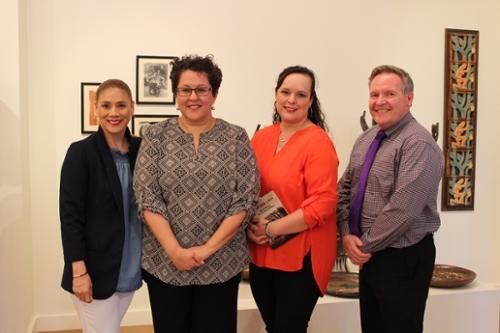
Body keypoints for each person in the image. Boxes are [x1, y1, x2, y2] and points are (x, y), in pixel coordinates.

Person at [133, 54, 260, 333]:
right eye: (185, 89)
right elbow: (146, 195)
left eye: (202, 89)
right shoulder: (155, 136)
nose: (193, 97)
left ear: (214, 94)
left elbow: (245, 199)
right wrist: (174, 251)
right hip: (165, 264)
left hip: (222, 264)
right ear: (176, 94)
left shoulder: (236, 137)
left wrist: (206, 250)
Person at [336, 65, 445, 333]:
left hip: (402, 258)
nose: (380, 101)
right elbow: (344, 189)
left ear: (409, 98)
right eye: (374, 94)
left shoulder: (418, 143)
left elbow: (404, 209)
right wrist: (346, 233)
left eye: (389, 94)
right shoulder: (366, 139)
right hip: (370, 256)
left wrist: (362, 246)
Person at [247, 66, 339, 333]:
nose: (291, 100)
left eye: (300, 94)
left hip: (301, 256)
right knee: (274, 327)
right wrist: (256, 228)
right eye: (285, 92)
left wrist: (271, 229)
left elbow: (323, 202)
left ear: (311, 101)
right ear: (276, 95)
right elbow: (247, 188)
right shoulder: (262, 137)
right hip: (262, 252)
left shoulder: (318, 142)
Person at [59, 79, 142, 333]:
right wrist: (79, 273)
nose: (113, 112)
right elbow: (70, 217)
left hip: (130, 268)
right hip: (94, 272)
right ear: (96, 109)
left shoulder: (142, 150)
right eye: (106, 105)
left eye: (121, 105)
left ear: (132, 107)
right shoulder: (81, 153)